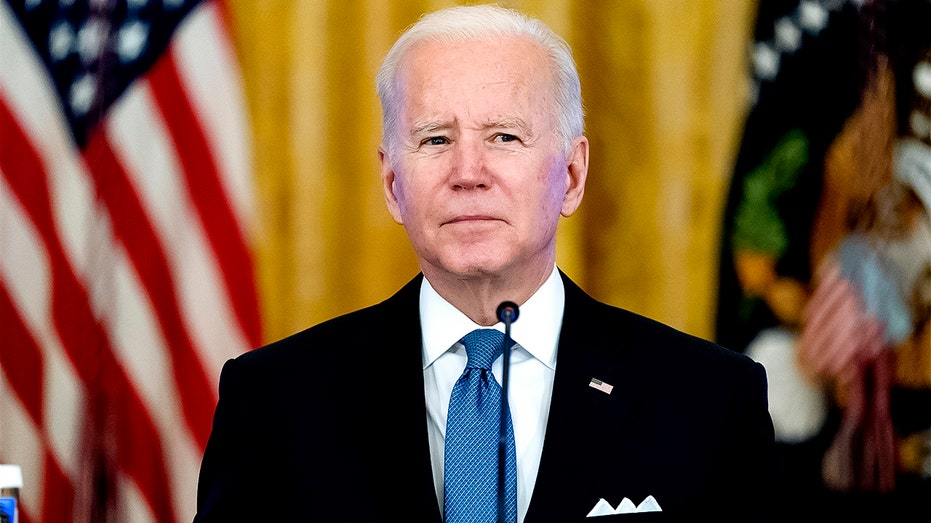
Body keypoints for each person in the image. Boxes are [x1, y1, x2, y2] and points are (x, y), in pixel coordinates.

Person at [193, 5, 778, 522]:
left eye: (503, 137)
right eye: (435, 140)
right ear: (393, 185)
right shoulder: (272, 403)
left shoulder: (710, 401)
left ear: (571, 177)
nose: (468, 172)